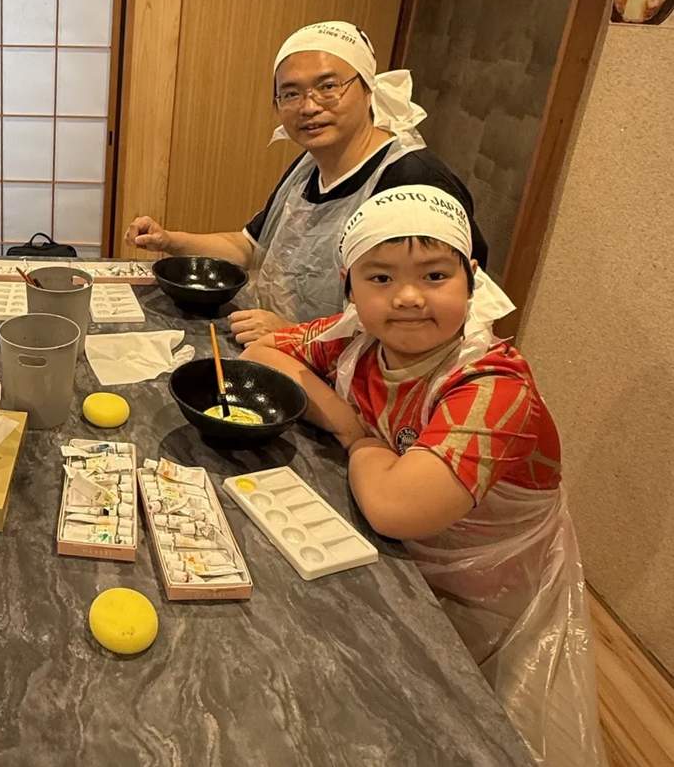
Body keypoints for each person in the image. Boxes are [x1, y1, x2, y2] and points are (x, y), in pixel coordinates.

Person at [242, 185, 604, 767]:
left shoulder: (494, 389)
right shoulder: (354, 338)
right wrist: (344, 420)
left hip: (491, 587)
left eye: (435, 276)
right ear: (349, 285)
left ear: (472, 279)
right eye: (380, 278)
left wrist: (359, 440)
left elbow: (396, 507)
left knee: (476, 718)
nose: (408, 298)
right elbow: (264, 355)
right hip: (408, 560)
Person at [125, 20, 487, 345]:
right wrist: (169, 240)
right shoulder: (307, 166)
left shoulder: (412, 180)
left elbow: (423, 319)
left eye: (328, 87)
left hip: (356, 386)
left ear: (367, 89)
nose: (309, 106)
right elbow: (251, 247)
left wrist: (296, 336)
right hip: (280, 353)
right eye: (291, 93)